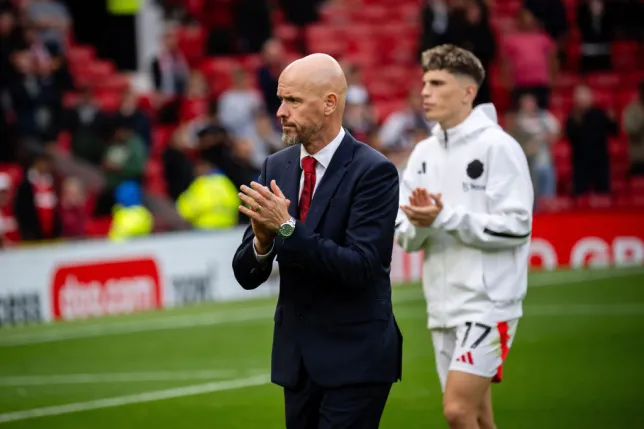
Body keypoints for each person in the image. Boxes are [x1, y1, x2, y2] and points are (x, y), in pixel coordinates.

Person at [232, 53, 402, 429]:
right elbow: (246, 273)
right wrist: (261, 243)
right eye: (280, 99)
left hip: (356, 359)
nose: (280, 111)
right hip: (298, 362)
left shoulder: (373, 172)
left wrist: (287, 228)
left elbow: (359, 267)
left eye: (293, 100)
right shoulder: (275, 166)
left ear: (329, 104)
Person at [396, 45, 533, 429]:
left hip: (489, 305)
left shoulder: (498, 147)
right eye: (424, 82)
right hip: (442, 307)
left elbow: (518, 226)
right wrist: (423, 223)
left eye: (437, 83)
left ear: (468, 92)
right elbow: (405, 239)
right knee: (475, 415)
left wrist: (444, 216)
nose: (425, 91)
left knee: (456, 410)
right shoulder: (422, 154)